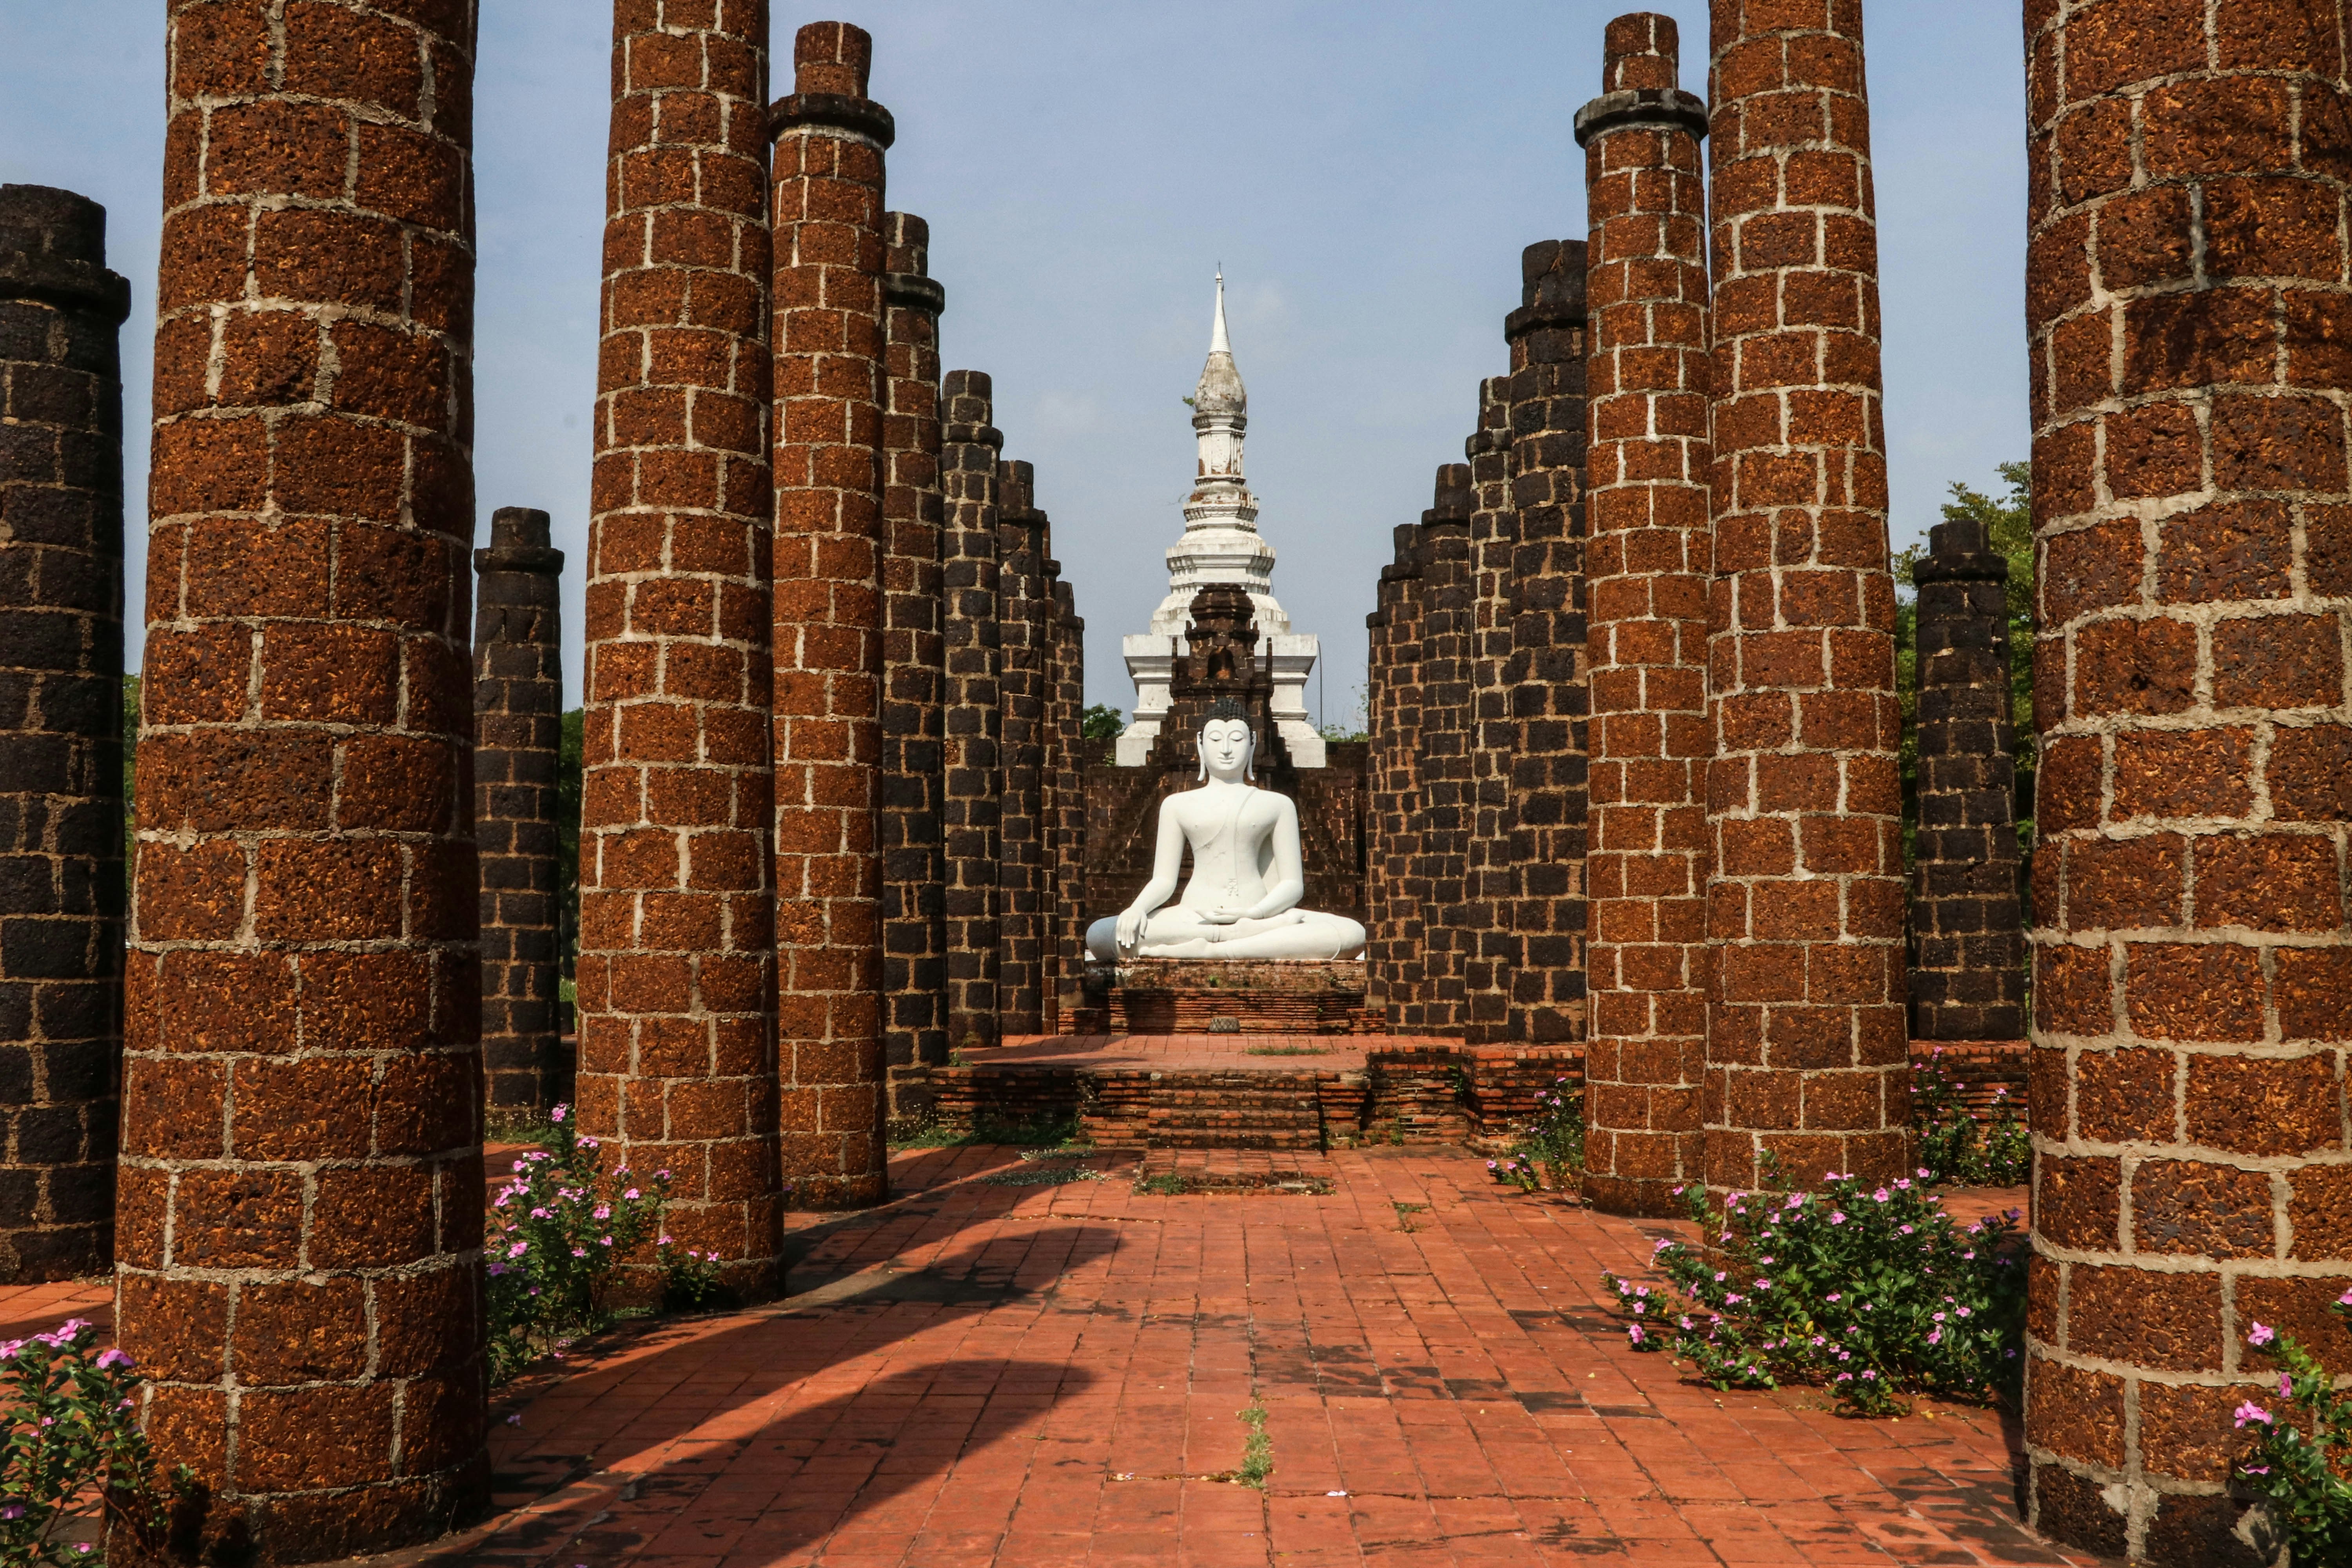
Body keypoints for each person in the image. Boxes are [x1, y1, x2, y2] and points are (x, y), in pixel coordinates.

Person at [1085, 701, 1367, 961]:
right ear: (1200, 744)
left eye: (1237, 739)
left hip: (1258, 915)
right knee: (1100, 934)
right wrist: (1137, 909)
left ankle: (1213, 950)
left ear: (1253, 743)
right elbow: (1164, 880)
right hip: (1194, 916)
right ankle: (1235, 940)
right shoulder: (1176, 804)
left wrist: (1255, 913)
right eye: (1216, 740)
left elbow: (1292, 885)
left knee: (1352, 934)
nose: (1227, 749)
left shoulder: (1278, 805)